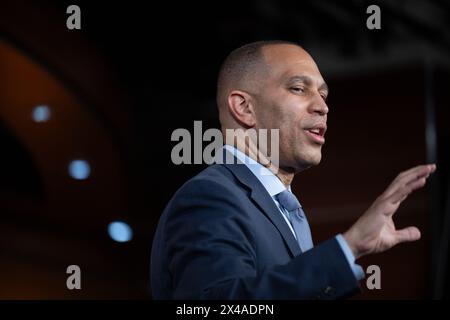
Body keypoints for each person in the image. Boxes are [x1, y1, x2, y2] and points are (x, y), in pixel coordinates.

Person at [150, 40, 436, 299]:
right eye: (298, 88)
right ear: (244, 108)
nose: (322, 106)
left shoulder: (282, 208)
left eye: (323, 95)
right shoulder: (209, 197)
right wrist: (348, 247)